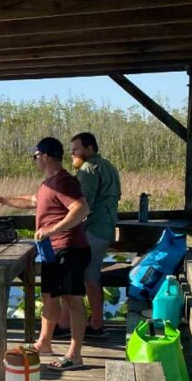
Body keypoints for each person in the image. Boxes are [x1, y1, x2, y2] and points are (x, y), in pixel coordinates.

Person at [0, 137, 91, 370]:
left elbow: (81, 208)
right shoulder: (48, 183)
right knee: (49, 297)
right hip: (52, 251)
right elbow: (34, 200)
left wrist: (51, 229)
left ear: (45, 156)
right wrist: (3, 200)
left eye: (34, 156)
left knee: (73, 300)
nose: (33, 160)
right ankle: (44, 343)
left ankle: (75, 355)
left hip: (69, 248)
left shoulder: (64, 181)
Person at [69, 132, 121, 338]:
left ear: (89, 149)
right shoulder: (108, 165)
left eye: (76, 149)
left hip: (93, 229)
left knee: (88, 278)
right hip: (105, 228)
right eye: (71, 150)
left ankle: (93, 325)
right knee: (91, 277)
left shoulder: (88, 169)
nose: (72, 153)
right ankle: (95, 323)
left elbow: (83, 205)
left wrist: (62, 224)